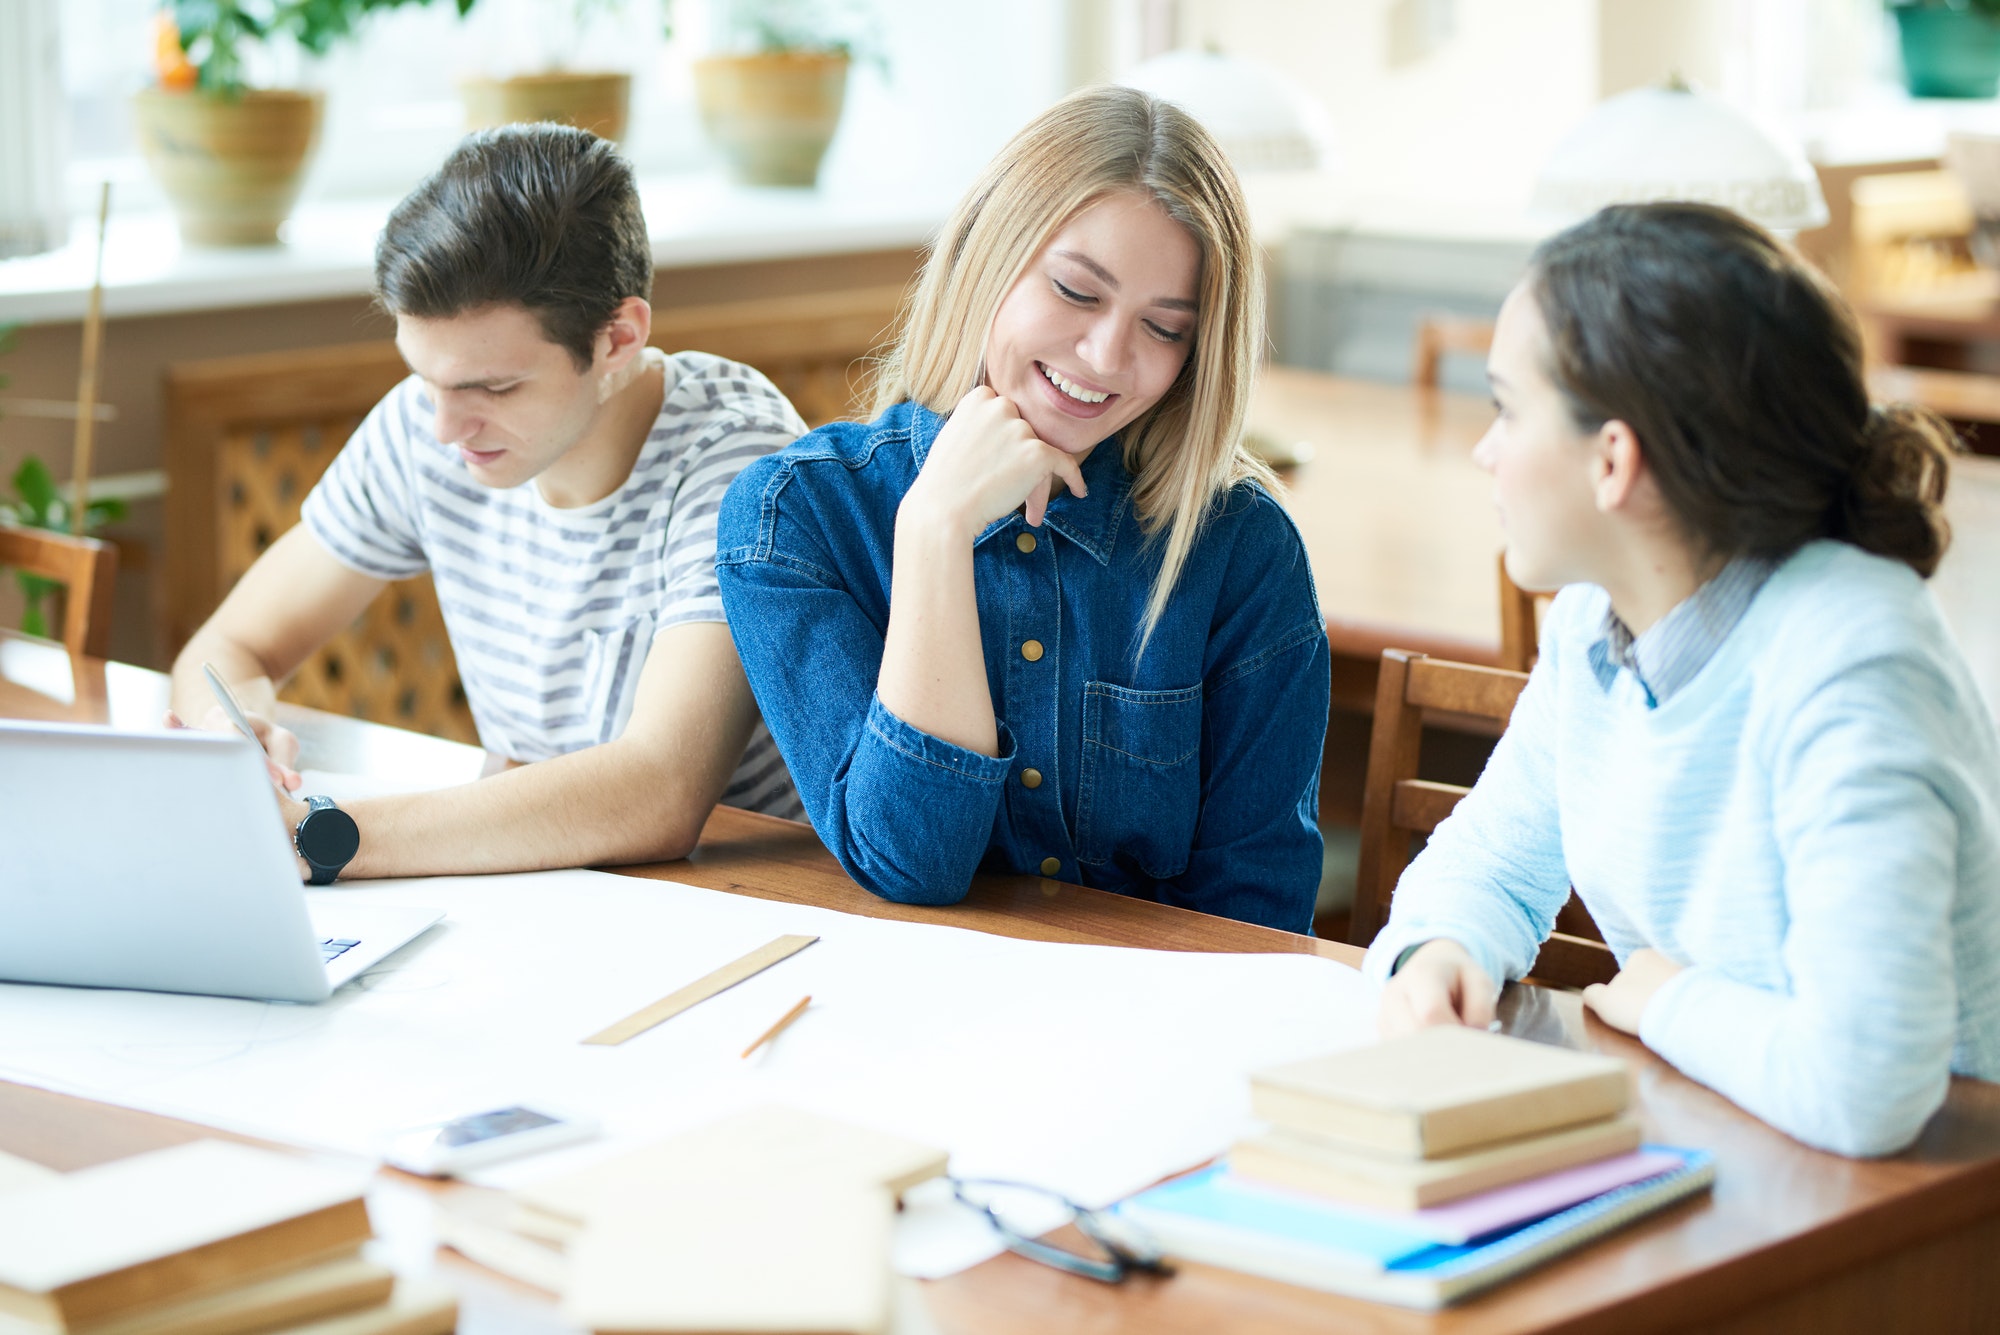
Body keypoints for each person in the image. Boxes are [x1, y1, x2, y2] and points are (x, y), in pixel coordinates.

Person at [1366, 202, 2000, 1157]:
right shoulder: (1598, 617)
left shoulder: (1856, 658)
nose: (1483, 449)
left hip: (1932, 1196)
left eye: (1505, 408)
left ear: (1614, 459)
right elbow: (1492, 862)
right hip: (1745, 1137)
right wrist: (1439, 950)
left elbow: (1868, 1087)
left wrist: (1668, 999)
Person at [713, 86, 1330, 933]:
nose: (1109, 355)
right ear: (986, 255)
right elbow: (909, 863)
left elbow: (1257, 915)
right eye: (1078, 291)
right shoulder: (794, 520)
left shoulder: (1242, 549)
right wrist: (935, 530)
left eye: (1165, 327)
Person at [170, 124, 803, 883]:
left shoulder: (738, 459)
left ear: (618, 339)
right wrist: (235, 734)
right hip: (539, 879)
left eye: (493, 388)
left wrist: (320, 836)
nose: (444, 427)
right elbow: (229, 647)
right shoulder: (429, 421)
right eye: (426, 378)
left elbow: (658, 791)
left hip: (748, 894)